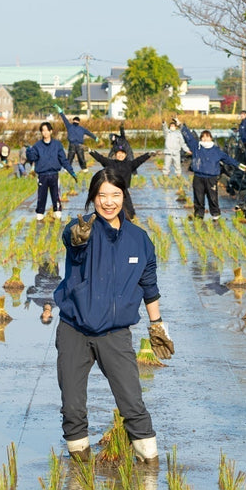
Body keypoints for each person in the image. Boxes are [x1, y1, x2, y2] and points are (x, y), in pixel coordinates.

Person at [52, 168, 174, 465]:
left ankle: (149, 466)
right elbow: (71, 238)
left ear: (124, 196)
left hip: (115, 335)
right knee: (72, 407)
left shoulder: (139, 239)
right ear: (93, 198)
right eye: (102, 196)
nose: (109, 202)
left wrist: (157, 326)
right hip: (75, 331)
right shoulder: (82, 229)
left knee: (132, 403)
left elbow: (149, 284)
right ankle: (80, 474)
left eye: (115, 195)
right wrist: (76, 237)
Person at [179, 120, 246, 220]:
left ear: (211, 138)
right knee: (198, 197)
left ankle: (215, 214)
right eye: (203, 137)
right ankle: (199, 215)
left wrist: (239, 165)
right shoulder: (196, 147)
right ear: (201, 138)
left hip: (211, 178)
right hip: (198, 177)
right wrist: (181, 126)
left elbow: (227, 159)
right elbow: (188, 137)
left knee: (213, 197)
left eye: (207, 136)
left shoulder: (216, 150)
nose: (205, 139)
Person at [26, 121, 77, 221]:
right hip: (42, 175)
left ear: (51, 131)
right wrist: (29, 152)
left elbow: (63, 159)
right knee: (41, 196)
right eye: (43, 131)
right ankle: (40, 214)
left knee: (56, 195)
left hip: (54, 174)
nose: (45, 133)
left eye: (46, 130)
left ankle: (57, 212)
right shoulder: (37, 146)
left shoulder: (57, 145)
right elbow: (32, 158)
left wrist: (71, 171)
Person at [88, 145, 155, 219]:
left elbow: (140, 160)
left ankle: (129, 223)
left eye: (122, 153)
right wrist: (91, 151)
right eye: (118, 153)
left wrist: (148, 154)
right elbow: (100, 158)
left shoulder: (130, 164)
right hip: (112, 190)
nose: (120, 155)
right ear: (115, 155)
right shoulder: (110, 163)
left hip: (124, 191)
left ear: (125, 155)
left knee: (130, 211)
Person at [56, 106, 97, 172]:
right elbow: (89, 133)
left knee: (70, 158)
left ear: (73, 121)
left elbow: (64, 119)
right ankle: (84, 170)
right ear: (79, 122)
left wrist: (61, 112)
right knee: (81, 158)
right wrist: (95, 138)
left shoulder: (69, 126)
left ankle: (68, 170)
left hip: (73, 145)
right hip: (79, 145)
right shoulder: (81, 129)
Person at [26, 259, 61, 324]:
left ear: (41, 314)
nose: (45, 314)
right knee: (54, 255)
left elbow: (30, 290)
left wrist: (28, 300)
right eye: (47, 316)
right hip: (54, 274)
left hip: (42, 274)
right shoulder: (57, 302)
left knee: (43, 254)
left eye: (43, 316)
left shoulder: (38, 301)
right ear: (51, 315)